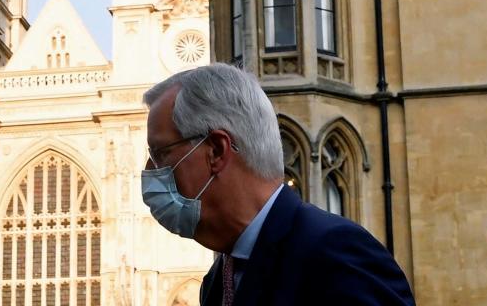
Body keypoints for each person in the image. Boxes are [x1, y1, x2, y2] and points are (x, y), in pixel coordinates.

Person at [141, 63, 415, 306]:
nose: (149, 171)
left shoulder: (335, 254)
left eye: (161, 154)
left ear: (216, 150)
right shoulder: (216, 281)